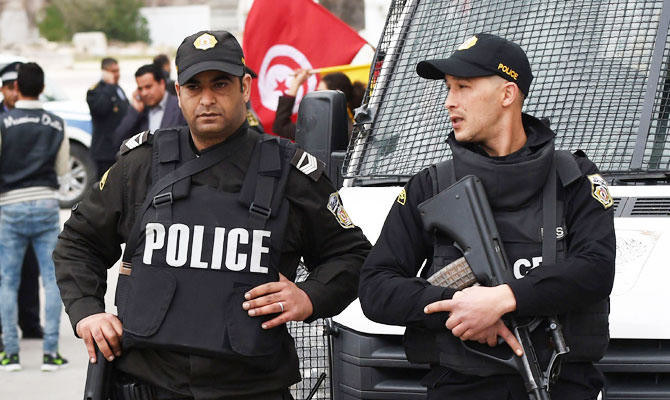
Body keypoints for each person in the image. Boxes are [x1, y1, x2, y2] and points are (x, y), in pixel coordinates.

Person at [53, 30, 370, 399]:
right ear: (179, 92)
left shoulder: (290, 173)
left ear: (245, 87)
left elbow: (354, 255)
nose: (207, 99)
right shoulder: (140, 166)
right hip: (152, 383)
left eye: (220, 84)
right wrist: (87, 311)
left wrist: (310, 296)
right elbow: (78, 241)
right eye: (194, 87)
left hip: (252, 388)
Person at [358, 33, 615, 399]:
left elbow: (596, 269)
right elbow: (375, 288)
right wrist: (459, 308)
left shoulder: (574, 180)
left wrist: (504, 298)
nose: (449, 102)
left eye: (463, 87)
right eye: (448, 88)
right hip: (462, 386)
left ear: (507, 95)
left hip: (561, 385)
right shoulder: (430, 187)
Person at [0, 62, 70, 371]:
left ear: (16, 88)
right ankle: (50, 353)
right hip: (46, 203)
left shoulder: (4, 122)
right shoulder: (56, 123)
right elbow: (64, 170)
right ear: (42, 88)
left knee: (7, 280)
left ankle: (10, 354)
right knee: (52, 281)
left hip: (10, 205)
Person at [0, 60, 45, 344]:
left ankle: (29, 321)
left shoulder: (38, 118)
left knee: (30, 266)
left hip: (26, 201)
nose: (13, 93)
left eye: (15, 87)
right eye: (8, 88)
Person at [272, 70, 364, 140]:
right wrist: (295, 84)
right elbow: (281, 127)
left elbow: (281, 126)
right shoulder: (352, 129)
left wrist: (296, 84)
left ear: (336, 94)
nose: (316, 97)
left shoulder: (322, 128)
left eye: (320, 92)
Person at [115, 63, 186, 145]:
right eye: (140, 89)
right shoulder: (139, 110)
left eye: (148, 87)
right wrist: (135, 111)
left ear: (162, 84)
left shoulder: (180, 106)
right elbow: (118, 139)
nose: (144, 93)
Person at [87, 57, 130, 179]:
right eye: (113, 71)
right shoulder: (95, 91)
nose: (117, 74)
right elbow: (101, 109)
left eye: (118, 71)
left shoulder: (117, 89)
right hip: (104, 151)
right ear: (104, 72)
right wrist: (109, 85)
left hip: (118, 148)